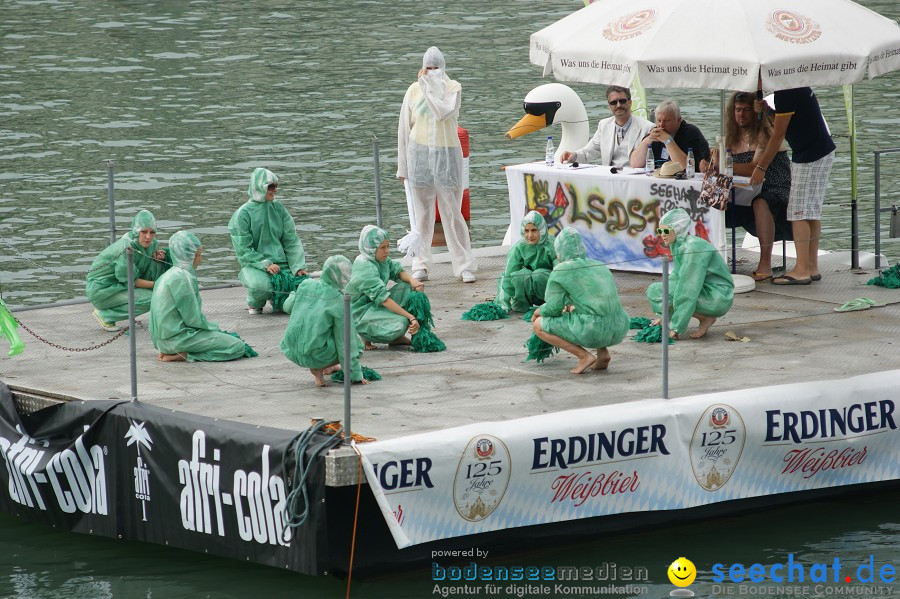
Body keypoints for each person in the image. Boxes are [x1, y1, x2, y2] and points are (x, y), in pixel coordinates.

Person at [397, 46, 477, 284]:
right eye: (428, 68)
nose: (432, 72)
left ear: (444, 68)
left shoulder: (453, 88)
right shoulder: (412, 91)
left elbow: (442, 113)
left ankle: (463, 264)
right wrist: (403, 167)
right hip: (419, 156)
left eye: (436, 68)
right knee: (421, 215)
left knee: (452, 212)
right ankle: (420, 263)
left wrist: (427, 85)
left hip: (447, 156)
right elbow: (404, 129)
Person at [751, 83, 836, 285]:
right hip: (820, 150)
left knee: (798, 212)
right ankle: (811, 266)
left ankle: (801, 270)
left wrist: (761, 167)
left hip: (810, 155)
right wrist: (767, 110)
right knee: (812, 212)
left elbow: (778, 135)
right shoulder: (795, 86)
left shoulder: (785, 92)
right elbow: (786, 121)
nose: (759, 84)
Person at [531, 227, 630, 374]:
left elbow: (554, 308)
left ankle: (584, 357)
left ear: (559, 251)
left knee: (539, 325)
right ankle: (603, 355)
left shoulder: (561, 270)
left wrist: (538, 311)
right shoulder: (598, 264)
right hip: (619, 326)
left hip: (593, 330)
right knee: (589, 309)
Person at [716, 91, 792, 282]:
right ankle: (711, 259)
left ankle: (765, 264)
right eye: (738, 110)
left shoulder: (766, 134)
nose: (741, 114)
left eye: (746, 110)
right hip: (743, 190)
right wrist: (709, 163)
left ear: (756, 112)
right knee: (710, 199)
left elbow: (752, 168)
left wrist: (721, 165)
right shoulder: (731, 138)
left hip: (774, 187)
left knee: (760, 202)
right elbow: (722, 166)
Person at [149, 231, 246, 362]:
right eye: (198, 255)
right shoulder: (183, 278)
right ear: (190, 256)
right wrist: (213, 328)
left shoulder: (167, 275)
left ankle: (179, 352)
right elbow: (192, 319)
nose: (200, 259)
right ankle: (185, 355)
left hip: (160, 341)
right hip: (176, 340)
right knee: (237, 346)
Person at [228, 167, 307, 314]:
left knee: (306, 288)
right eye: (271, 186)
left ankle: (283, 301)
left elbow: (291, 239)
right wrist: (266, 264)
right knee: (261, 287)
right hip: (255, 266)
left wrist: (298, 266)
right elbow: (244, 250)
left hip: (283, 266)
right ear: (260, 187)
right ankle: (255, 301)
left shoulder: (278, 208)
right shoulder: (242, 214)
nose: (275, 190)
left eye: (276, 186)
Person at [646, 209, 734, 340]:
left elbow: (688, 288)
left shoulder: (692, 248)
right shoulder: (677, 244)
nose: (662, 235)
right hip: (704, 287)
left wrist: (676, 326)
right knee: (656, 290)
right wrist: (664, 315)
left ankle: (706, 318)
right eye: (660, 231)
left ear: (677, 229)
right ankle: (702, 317)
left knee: (681, 293)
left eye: (666, 231)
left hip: (718, 295)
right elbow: (676, 275)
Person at [281, 255, 367, 387]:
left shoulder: (306, 284)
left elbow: (287, 307)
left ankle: (323, 371)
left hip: (290, 349)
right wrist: (354, 374)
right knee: (356, 342)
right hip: (316, 355)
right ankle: (321, 366)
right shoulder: (339, 301)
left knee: (319, 331)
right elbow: (345, 342)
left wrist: (294, 295)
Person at [86, 209, 169, 332]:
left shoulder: (151, 244)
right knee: (153, 298)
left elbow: (143, 261)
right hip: (103, 290)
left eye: (152, 232)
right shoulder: (127, 247)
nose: (148, 237)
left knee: (161, 262)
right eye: (144, 232)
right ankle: (106, 315)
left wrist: (154, 255)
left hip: (119, 285)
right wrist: (158, 286)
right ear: (136, 231)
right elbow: (130, 280)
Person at [345, 225, 425, 349]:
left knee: (408, 287)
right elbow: (384, 300)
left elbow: (396, 270)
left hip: (373, 304)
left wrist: (413, 281)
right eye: (382, 247)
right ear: (371, 249)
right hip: (361, 312)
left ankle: (395, 339)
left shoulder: (380, 259)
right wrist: (410, 317)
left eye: (387, 246)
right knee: (400, 324)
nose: (386, 251)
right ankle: (366, 334)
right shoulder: (365, 267)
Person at [560, 85, 653, 168]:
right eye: (614, 102)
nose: (618, 105)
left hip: (635, 180)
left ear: (630, 102)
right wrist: (574, 155)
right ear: (609, 106)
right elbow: (588, 152)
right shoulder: (603, 125)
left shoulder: (648, 128)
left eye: (622, 101)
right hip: (609, 178)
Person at [495, 211, 557, 313]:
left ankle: (550, 305)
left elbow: (562, 273)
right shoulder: (519, 248)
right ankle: (522, 306)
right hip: (530, 293)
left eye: (534, 230)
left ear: (541, 230)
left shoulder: (552, 246)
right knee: (520, 275)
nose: (530, 235)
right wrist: (502, 302)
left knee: (539, 274)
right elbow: (507, 276)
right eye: (526, 231)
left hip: (550, 292)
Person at [631, 99, 710, 171]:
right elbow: (635, 164)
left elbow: (684, 167)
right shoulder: (654, 131)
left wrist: (668, 140)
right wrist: (646, 141)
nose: (661, 125)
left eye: (667, 121)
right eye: (659, 120)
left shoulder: (691, 133)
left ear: (679, 120)